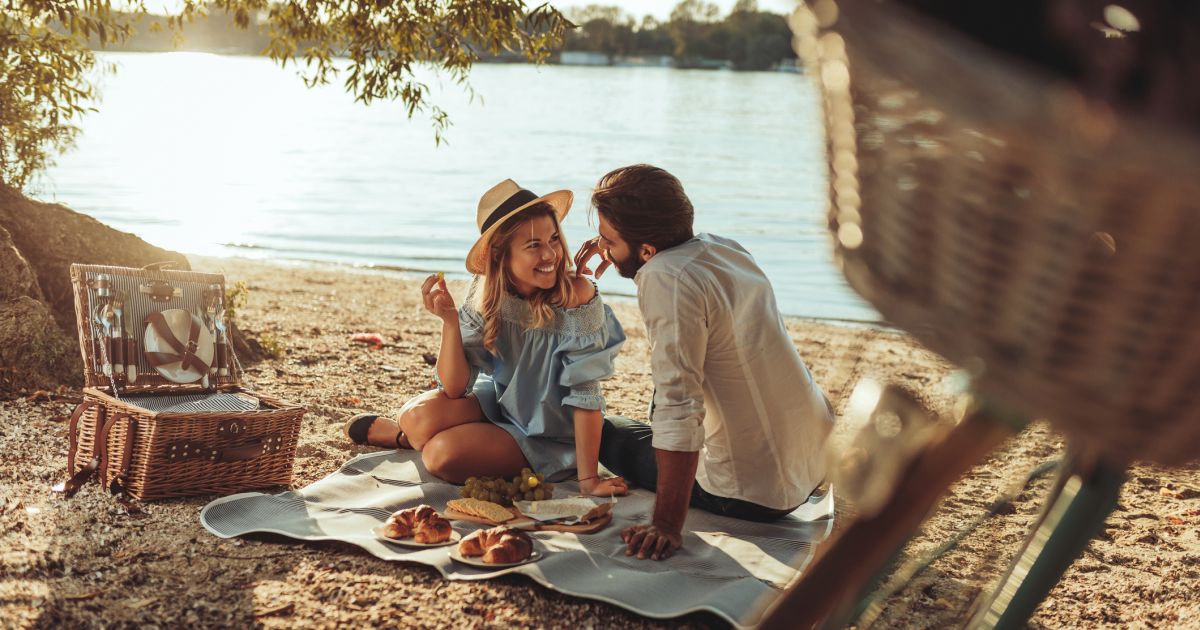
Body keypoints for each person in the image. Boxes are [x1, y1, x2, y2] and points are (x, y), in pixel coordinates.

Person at [574, 164, 834, 561]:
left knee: (602, 434)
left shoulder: (666, 278)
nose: (603, 249)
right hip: (814, 458)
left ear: (647, 249)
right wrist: (619, 246)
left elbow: (680, 407)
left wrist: (665, 524)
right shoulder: (722, 248)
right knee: (647, 414)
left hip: (752, 493)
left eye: (609, 241)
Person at [344, 179, 628, 498]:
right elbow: (454, 388)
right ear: (498, 254)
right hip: (503, 403)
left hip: (550, 433)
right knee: (414, 417)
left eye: (553, 240)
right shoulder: (487, 292)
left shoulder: (578, 297)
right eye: (534, 245)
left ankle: (412, 440)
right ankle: (407, 436)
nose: (551, 255)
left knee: (440, 455)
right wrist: (450, 323)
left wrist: (589, 479)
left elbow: (587, 394)